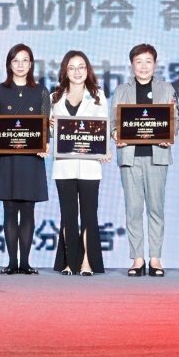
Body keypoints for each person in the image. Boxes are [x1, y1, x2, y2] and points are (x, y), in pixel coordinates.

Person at [0, 43, 50, 275]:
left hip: (31, 159)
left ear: (31, 64)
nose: (21, 65)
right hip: (6, 159)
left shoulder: (41, 92)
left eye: (25, 60)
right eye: (16, 60)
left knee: (28, 211)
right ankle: (12, 262)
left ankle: (25, 262)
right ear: (9, 64)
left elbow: (45, 125)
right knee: (9, 210)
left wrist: (45, 143)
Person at [112, 42, 173, 277]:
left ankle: (155, 258)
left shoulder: (166, 89)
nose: (144, 66)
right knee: (133, 209)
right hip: (130, 156)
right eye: (139, 62)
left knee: (156, 209)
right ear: (132, 65)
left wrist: (170, 134)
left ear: (155, 64)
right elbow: (114, 122)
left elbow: (175, 119)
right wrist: (116, 134)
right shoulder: (121, 90)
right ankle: (137, 259)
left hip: (157, 155)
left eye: (148, 61)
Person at [51, 49, 109, 276]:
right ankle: (69, 262)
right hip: (64, 165)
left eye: (81, 67)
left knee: (89, 214)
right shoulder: (55, 97)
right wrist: (50, 126)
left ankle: (86, 262)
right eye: (72, 67)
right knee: (67, 215)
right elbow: (51, 134)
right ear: (65, 71)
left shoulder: (97, 96)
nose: (77, 72)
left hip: (89, 165)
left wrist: (105, 150)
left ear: (88, 70)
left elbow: (103, 128)